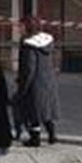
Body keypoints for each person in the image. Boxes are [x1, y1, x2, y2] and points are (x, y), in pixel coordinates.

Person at [14, 18, 60, 147]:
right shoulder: (47, 42)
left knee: (32, 111)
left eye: (21, 26)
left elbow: (29, 67)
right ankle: (52, 135)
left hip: (34, 82)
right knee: (46, 110)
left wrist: (23, 85)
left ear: (27, 27)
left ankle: (35, 138)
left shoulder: (28, 45)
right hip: (48, 80)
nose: (18, 29)